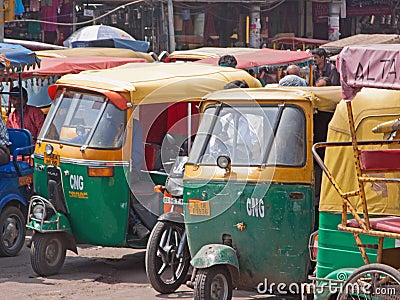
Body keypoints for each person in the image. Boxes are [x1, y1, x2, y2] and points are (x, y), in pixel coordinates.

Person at [129, 118, 150, 239]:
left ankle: (136, 223)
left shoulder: (134, 125)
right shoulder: (104, 122)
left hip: (131, 170)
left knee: (121, 186)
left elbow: (136, 154)